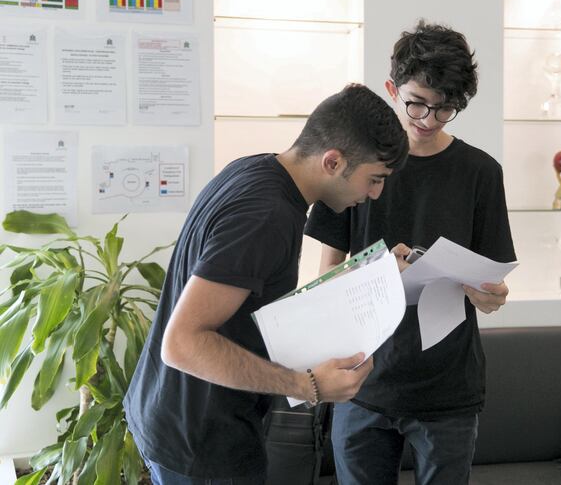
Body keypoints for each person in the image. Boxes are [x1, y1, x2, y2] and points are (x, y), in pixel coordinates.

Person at [123, 83, 409, 484]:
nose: (375, 194)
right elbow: (183, 343)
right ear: (332, 162)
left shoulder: (256, 171)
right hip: (201, 445)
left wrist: (372, 273)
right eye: (374, 179)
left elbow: (253, 300)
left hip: (172, 416)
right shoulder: (267, 215)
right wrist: (307, 385)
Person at [305, 21, 516, 484]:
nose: (426, 120)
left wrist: (490, 295)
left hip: (447, 388)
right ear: (391, 88)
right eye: (416, 103)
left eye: (444, 110)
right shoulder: (352, 165)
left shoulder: (481, 172)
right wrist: (381, 272)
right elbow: (325, 284)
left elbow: (494, 286)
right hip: (362, 381)